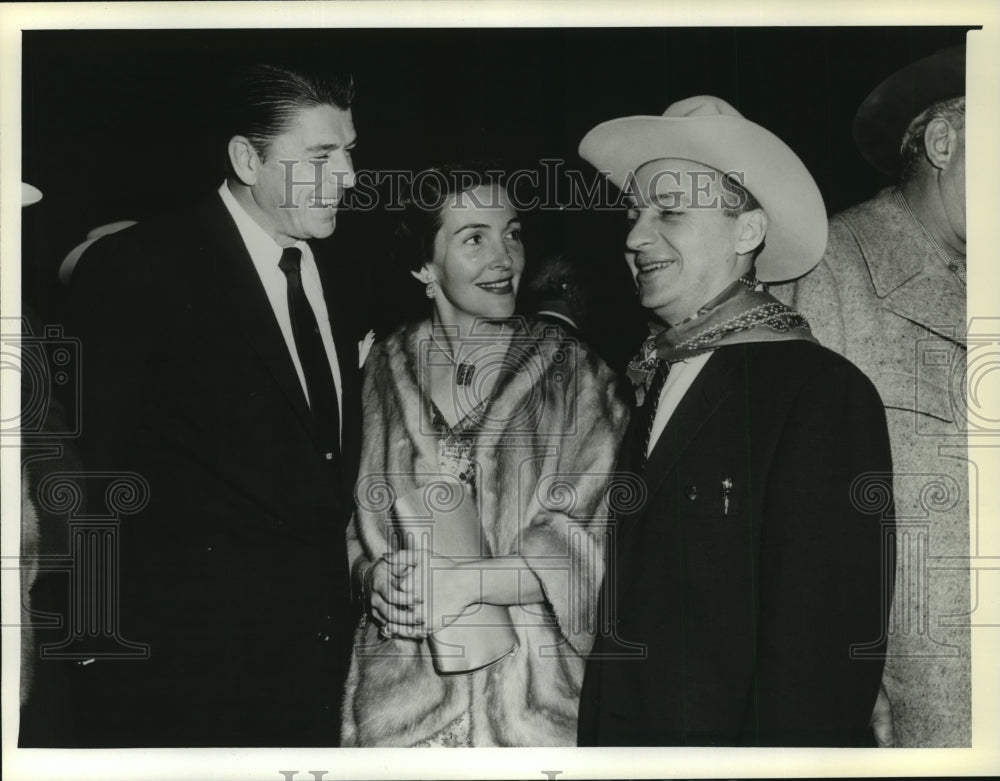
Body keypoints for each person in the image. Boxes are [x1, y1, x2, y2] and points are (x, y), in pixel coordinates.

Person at [575, 96, 894, 746]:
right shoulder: (659, 374)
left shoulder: (821, 395)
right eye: (636, 213)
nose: (635, 236)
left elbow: (822, 666)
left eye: (669, 210)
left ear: (747, 232)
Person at [68, 64, 365, 746]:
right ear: (245, 158)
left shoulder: (346, 265)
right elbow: (92, 463)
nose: (348, 175)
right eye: (321, 156)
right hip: (185, 672)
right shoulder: (140, 265)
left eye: (350, 151)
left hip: (320, 661)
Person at [340, 164, 629, 746]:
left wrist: (466, 584)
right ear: (425, 265)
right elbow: (352, 529)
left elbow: (598, 551)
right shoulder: (375, 376)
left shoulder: (580, 378)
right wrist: (370, 578)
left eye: (513, 233)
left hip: (530, 713)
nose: (505, 258)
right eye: (474, 238)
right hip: (402, 713)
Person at [771, 45, 969, 747]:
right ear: (944, 141)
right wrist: (847, 679)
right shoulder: (833, 270)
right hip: (910, 703)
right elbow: (792, 514)